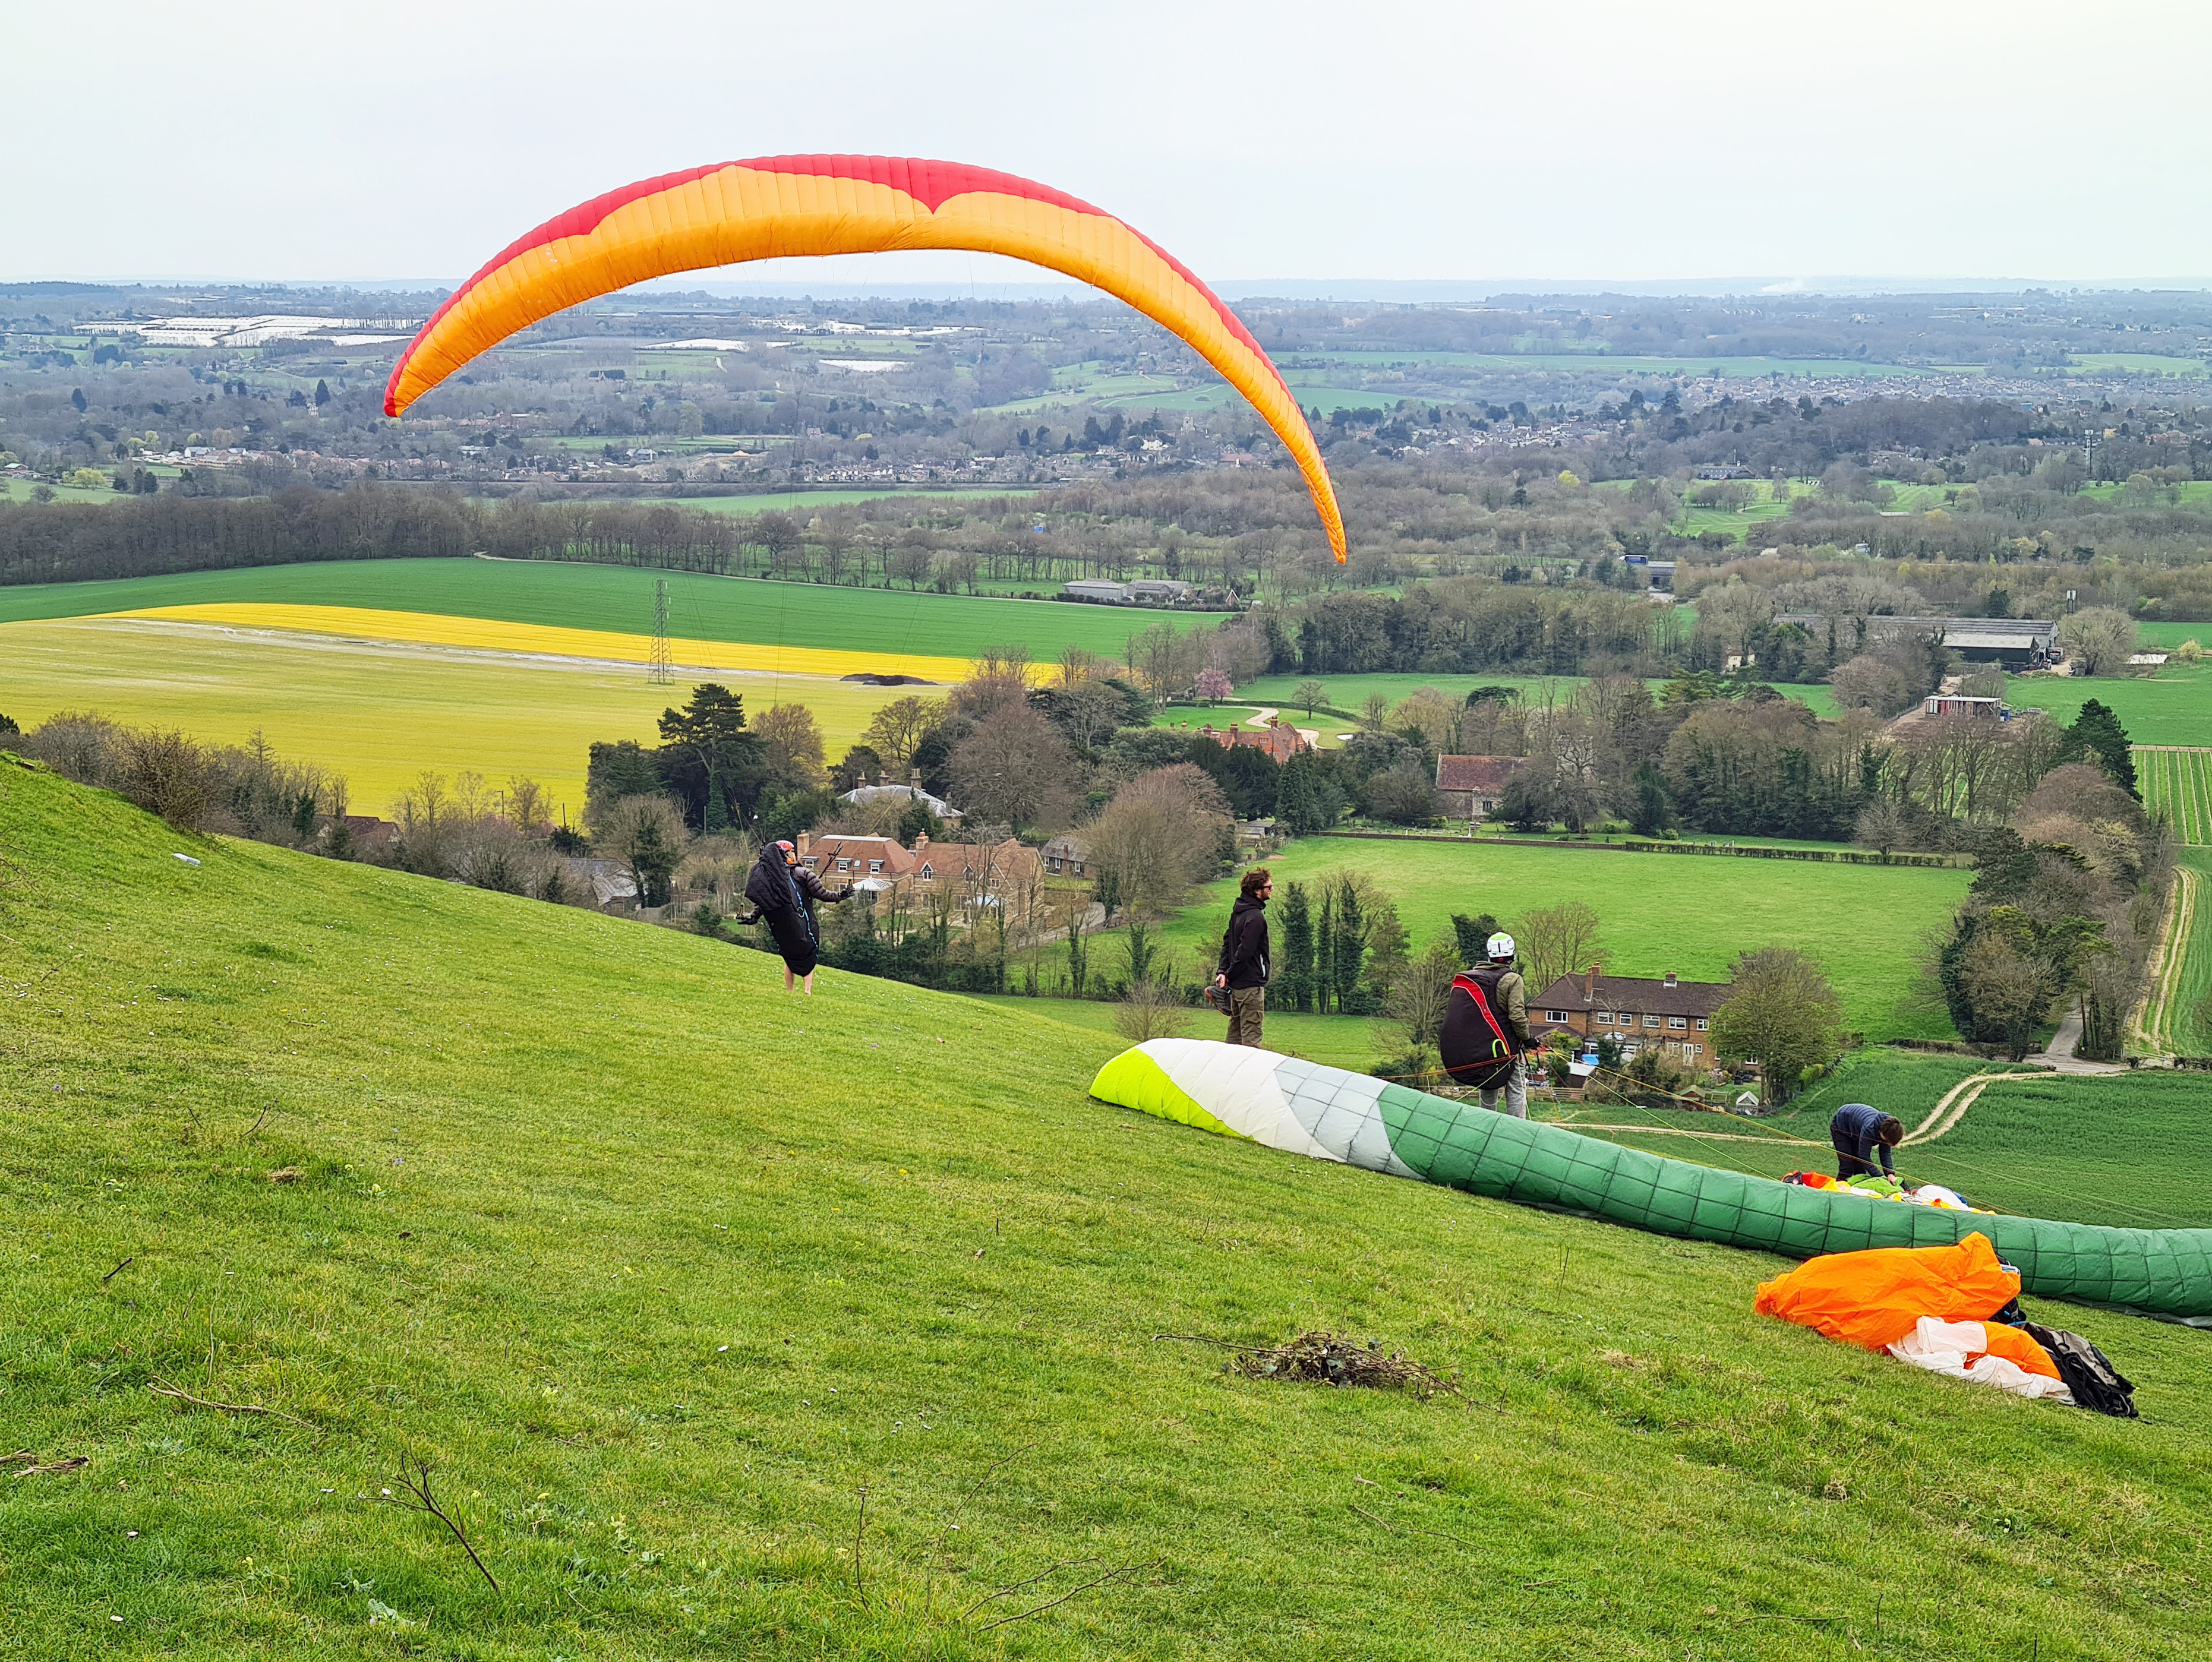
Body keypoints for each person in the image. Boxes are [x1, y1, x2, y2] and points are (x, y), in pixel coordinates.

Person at [740, 839, 853, 995]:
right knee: (809, 954)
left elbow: (766, 902)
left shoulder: (773, 880)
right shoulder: (803, 873)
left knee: (789, 957)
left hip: (784, 929)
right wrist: (841, 896)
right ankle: (807, 991)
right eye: (792, 851)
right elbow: (823, 894)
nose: (794, 854)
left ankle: (790, 992)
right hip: (805, 925)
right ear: (787, 855)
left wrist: (754, 917)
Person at [1441, 931, 1531, 1117]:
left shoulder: (1476, 978)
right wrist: (1527, 1039)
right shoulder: (1513, 979)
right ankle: (1517, 1131)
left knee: (1489, 1084)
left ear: (1490, 954)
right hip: (1509, 1047)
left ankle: (1487, 1128)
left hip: (1484, 1048)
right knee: (1516, 1088)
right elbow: (1517, 1016)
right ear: (1512, 955)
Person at [1213, 867, 1273, 1047]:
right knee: (1251, 1040)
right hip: (1250, 987)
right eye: (1268, 886)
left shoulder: (1238, 913)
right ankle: (1249, 1076)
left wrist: (1223, 972)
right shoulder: (1256, 918)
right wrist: (1228, 974)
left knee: (1234, 1037)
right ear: (1257, 891)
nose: (1272, 889)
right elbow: (1244, 952)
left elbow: (1227, 943)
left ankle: (1226, 1071)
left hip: (1237, 987)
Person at [1831, 1101, 1904, 1181]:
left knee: (1860, 1170)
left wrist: (1890, 1173)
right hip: (1841, 1125)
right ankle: (1838, 1190)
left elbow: (1885, 1153)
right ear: (1882, 1133)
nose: (1888, 1144)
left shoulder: (1889, 1129)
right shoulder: (1869, 1129)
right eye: (1888, 1141)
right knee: (1847, 1165)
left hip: (1856, 1129)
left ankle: (1855, 1191)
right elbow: (1864, 1156)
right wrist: (1879, 1177)